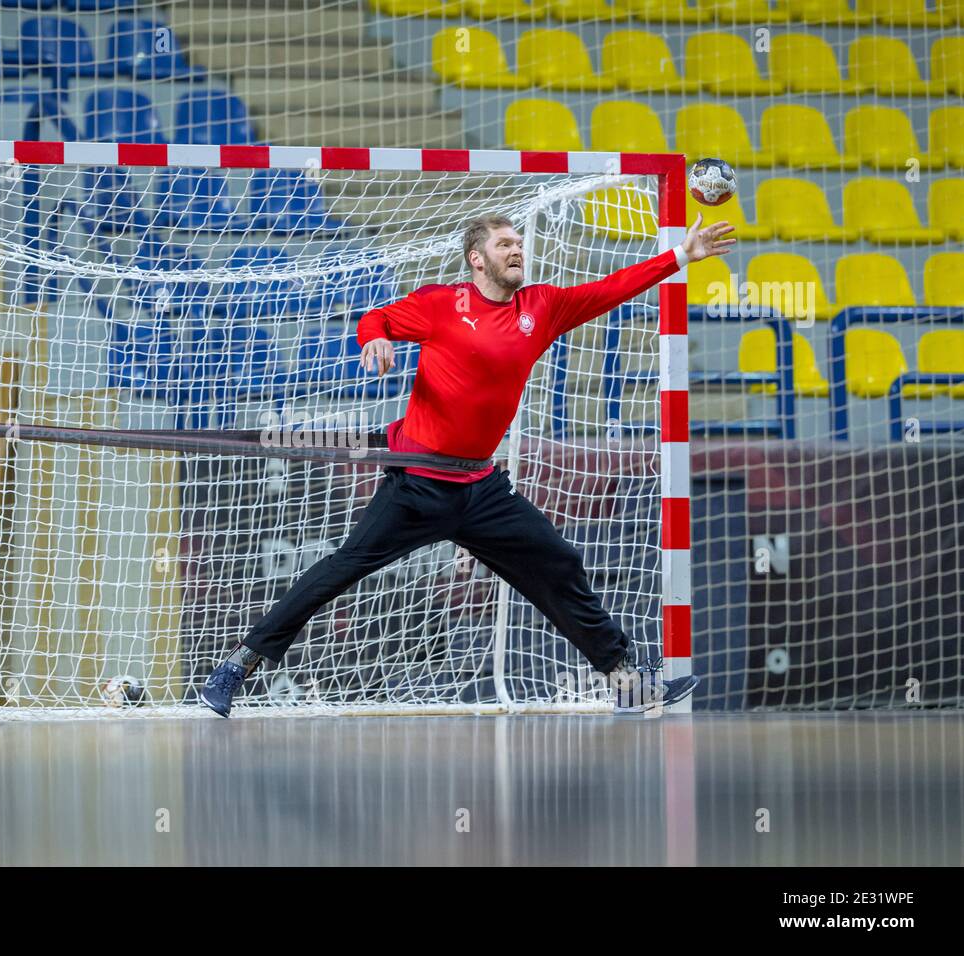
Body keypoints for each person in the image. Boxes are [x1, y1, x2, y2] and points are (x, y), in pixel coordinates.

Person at [201, 212, 735, 717]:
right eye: (505, 244)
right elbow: (376, 317)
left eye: (519, 244)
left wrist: (680, 256)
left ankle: (628, 682)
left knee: (560, 565)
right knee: (340, 571)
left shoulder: (541, 307)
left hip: (481, 488)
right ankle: (239, 664)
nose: (517, 251)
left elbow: (606, 291)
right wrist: (377, 340)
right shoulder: (441, 304)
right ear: (477, 258)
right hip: (418, 484)